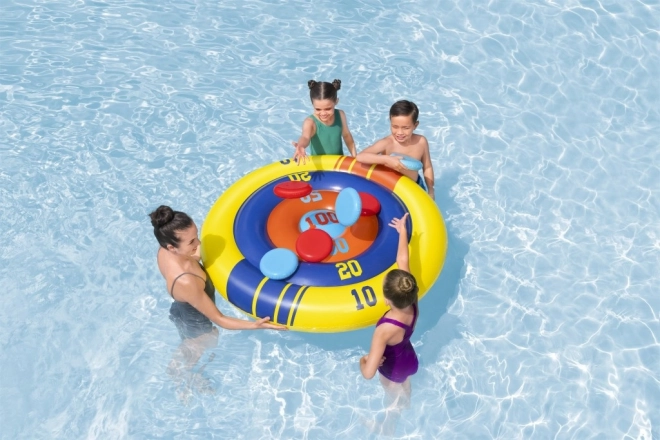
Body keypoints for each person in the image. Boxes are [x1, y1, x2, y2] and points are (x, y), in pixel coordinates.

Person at [149, 205, 285, 399]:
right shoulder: (186, 281)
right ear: (172, 247)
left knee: (190, 345)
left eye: (196, 236)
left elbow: (192, 258)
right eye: (192, 242)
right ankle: (182, 380)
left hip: (181, 311)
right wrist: (256, 325)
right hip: (197, 322)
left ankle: (181, 372)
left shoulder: (165, 252)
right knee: (205, 343)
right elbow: (220, 319)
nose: (198, 243)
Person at [359, 213, 418, 434]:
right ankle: (407, 402)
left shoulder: (385, 329)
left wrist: (363, 360)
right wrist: (402, 231)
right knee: (404, 391)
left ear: (386, 300)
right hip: (409, 359)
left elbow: (368, 373)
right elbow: (403, 260)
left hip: (392, 371)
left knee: (392, 403)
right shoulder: (412, 300)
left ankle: (388, 429)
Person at [356, 100, 435, 199]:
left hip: (415, 185)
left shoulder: (421, 142)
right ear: (390, 122)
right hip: (393, 189)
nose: (399, 132)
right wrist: (386, 159)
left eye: (406, 128)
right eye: (395, 127)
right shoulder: (387, 143)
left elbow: (427, 167)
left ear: (415, 125)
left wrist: (430, 190)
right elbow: (360, 156)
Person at [292, 79, 357, 164]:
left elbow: (347, 136)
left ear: (336, 101)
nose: (323, 113)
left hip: (338, 165)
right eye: (318, 109)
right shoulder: (310, 122)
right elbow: (305, 137)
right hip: (320, 167)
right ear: (312, 104)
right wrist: (301, 146)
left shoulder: (340, 115)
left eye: (328, 109)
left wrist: (355, 157)